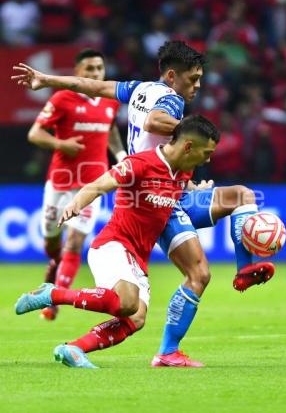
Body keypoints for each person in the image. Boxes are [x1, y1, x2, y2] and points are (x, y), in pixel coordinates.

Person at [12, 40, 274, 367]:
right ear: (171, 76)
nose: (197, 85)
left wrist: (47, 79)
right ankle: (166, 351)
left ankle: (244, 269)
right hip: (156, 191)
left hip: (169, 182)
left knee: (241, 197)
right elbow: (154, 123)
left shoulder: (137, 88)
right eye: (192, 79)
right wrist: (190, 129)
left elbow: (92, 85)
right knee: (191, 277)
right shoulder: (171, 101)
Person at [15, 115, 220, 369]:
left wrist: (197, 191)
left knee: (136, 318)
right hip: (113, 244)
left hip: (137, 257)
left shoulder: (182, 172)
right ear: (188, 146)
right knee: (127, 302)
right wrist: (76, 204)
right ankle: (52, 294)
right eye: (207, 152)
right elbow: (101, 184)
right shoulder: (141, 163)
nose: (208, 159)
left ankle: (74, 348)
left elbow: (178, 185)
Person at [27, 48, 126, 320]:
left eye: (99, 69)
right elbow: (34, 133)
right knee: (52, 239)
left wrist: (120, 156)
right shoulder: (62, 98)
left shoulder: (110, 102)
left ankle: (53, 300)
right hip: (60, 181)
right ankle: (53, 264)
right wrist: (61, 144)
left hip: (91, 185)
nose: (96, 73)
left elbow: (111, 131)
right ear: (78, 73)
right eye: (90, 69)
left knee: (75, 242)